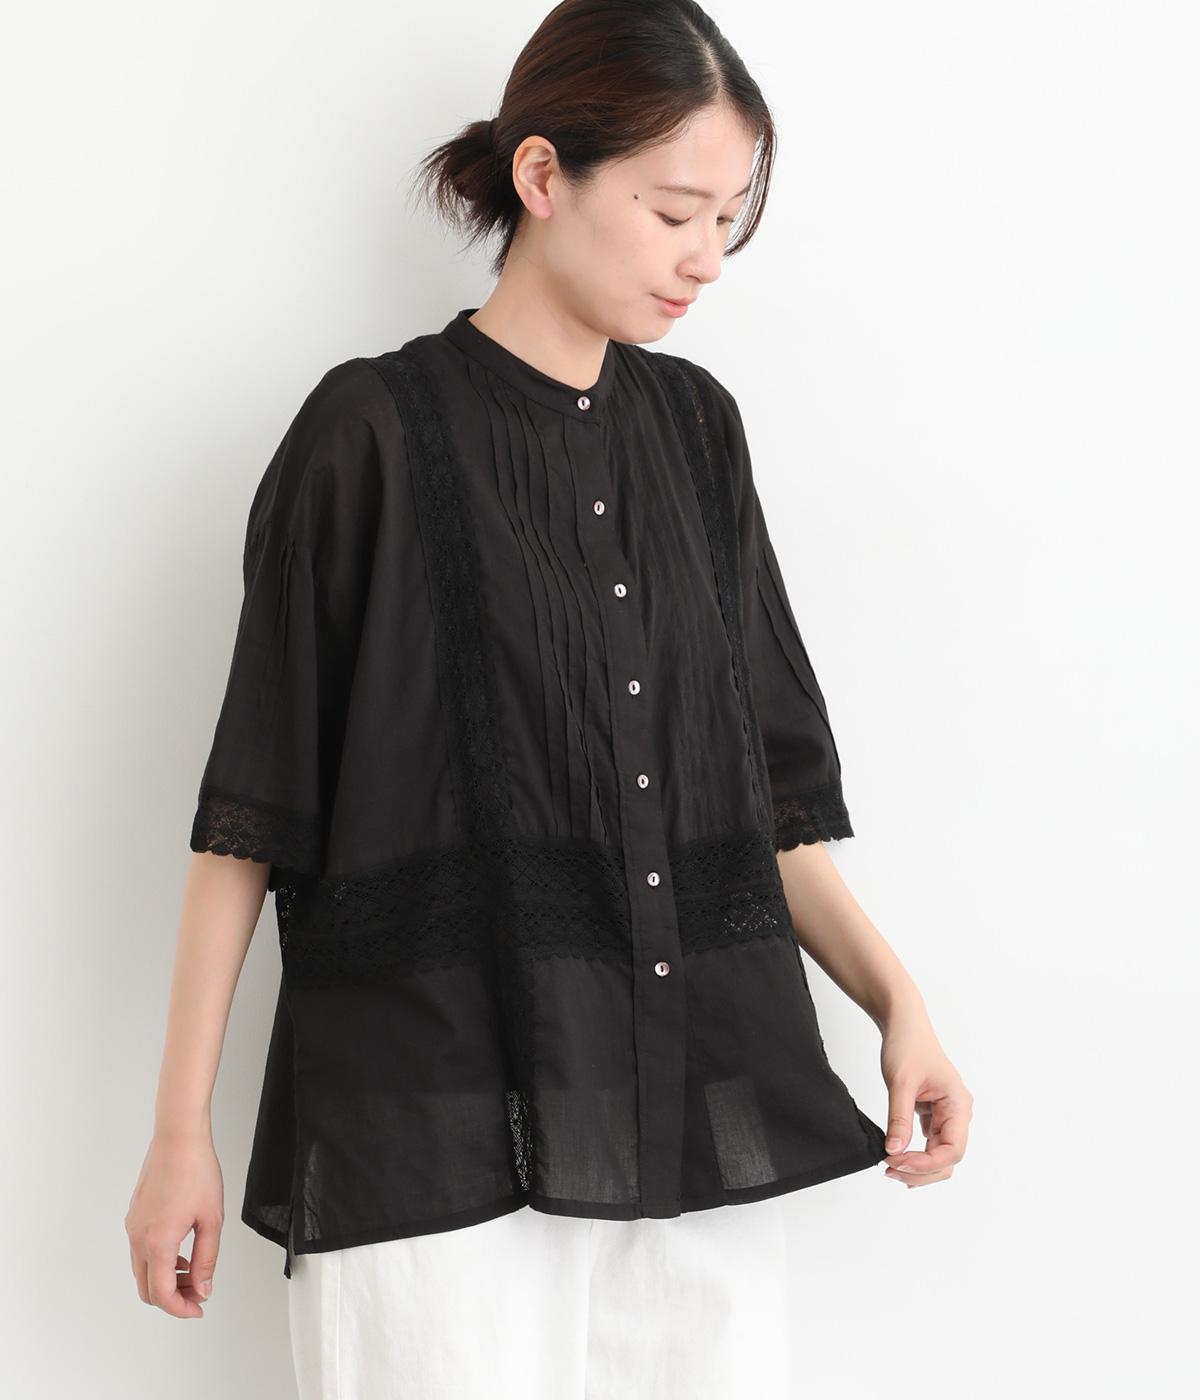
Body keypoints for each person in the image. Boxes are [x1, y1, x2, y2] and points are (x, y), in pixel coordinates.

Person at [126, 1, 973, 1394]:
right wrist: (180, 1136)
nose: (707, 258)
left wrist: (897, 1003)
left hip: (688, 1130)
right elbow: (251, 820)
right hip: (425, 1149)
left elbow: (755, 804)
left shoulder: (697, 433)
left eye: (729, 220)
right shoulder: (368, 433)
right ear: (541, 175)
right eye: (675, 211)